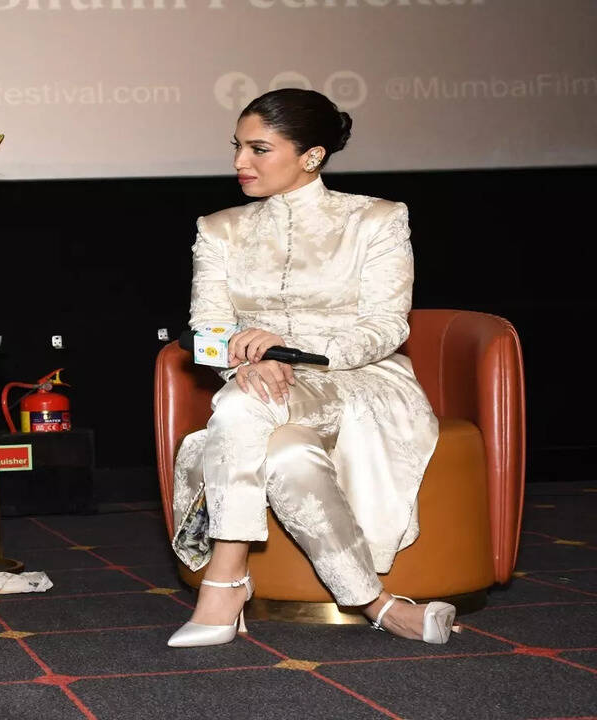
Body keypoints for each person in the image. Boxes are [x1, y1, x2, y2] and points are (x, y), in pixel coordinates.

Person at [166, 89, 454, 648]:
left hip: (361, 381)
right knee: (283, 448)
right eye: (237, 147)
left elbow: (386, 327)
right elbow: (205, 333)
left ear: (312, 155)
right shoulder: (218, 228)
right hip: (259, 385)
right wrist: (244, 364)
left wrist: (285, 347)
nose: (239, 163)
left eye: (258, 149)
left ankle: (224, 583)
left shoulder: (376, 219)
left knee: (244, 409)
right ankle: (378, 603)